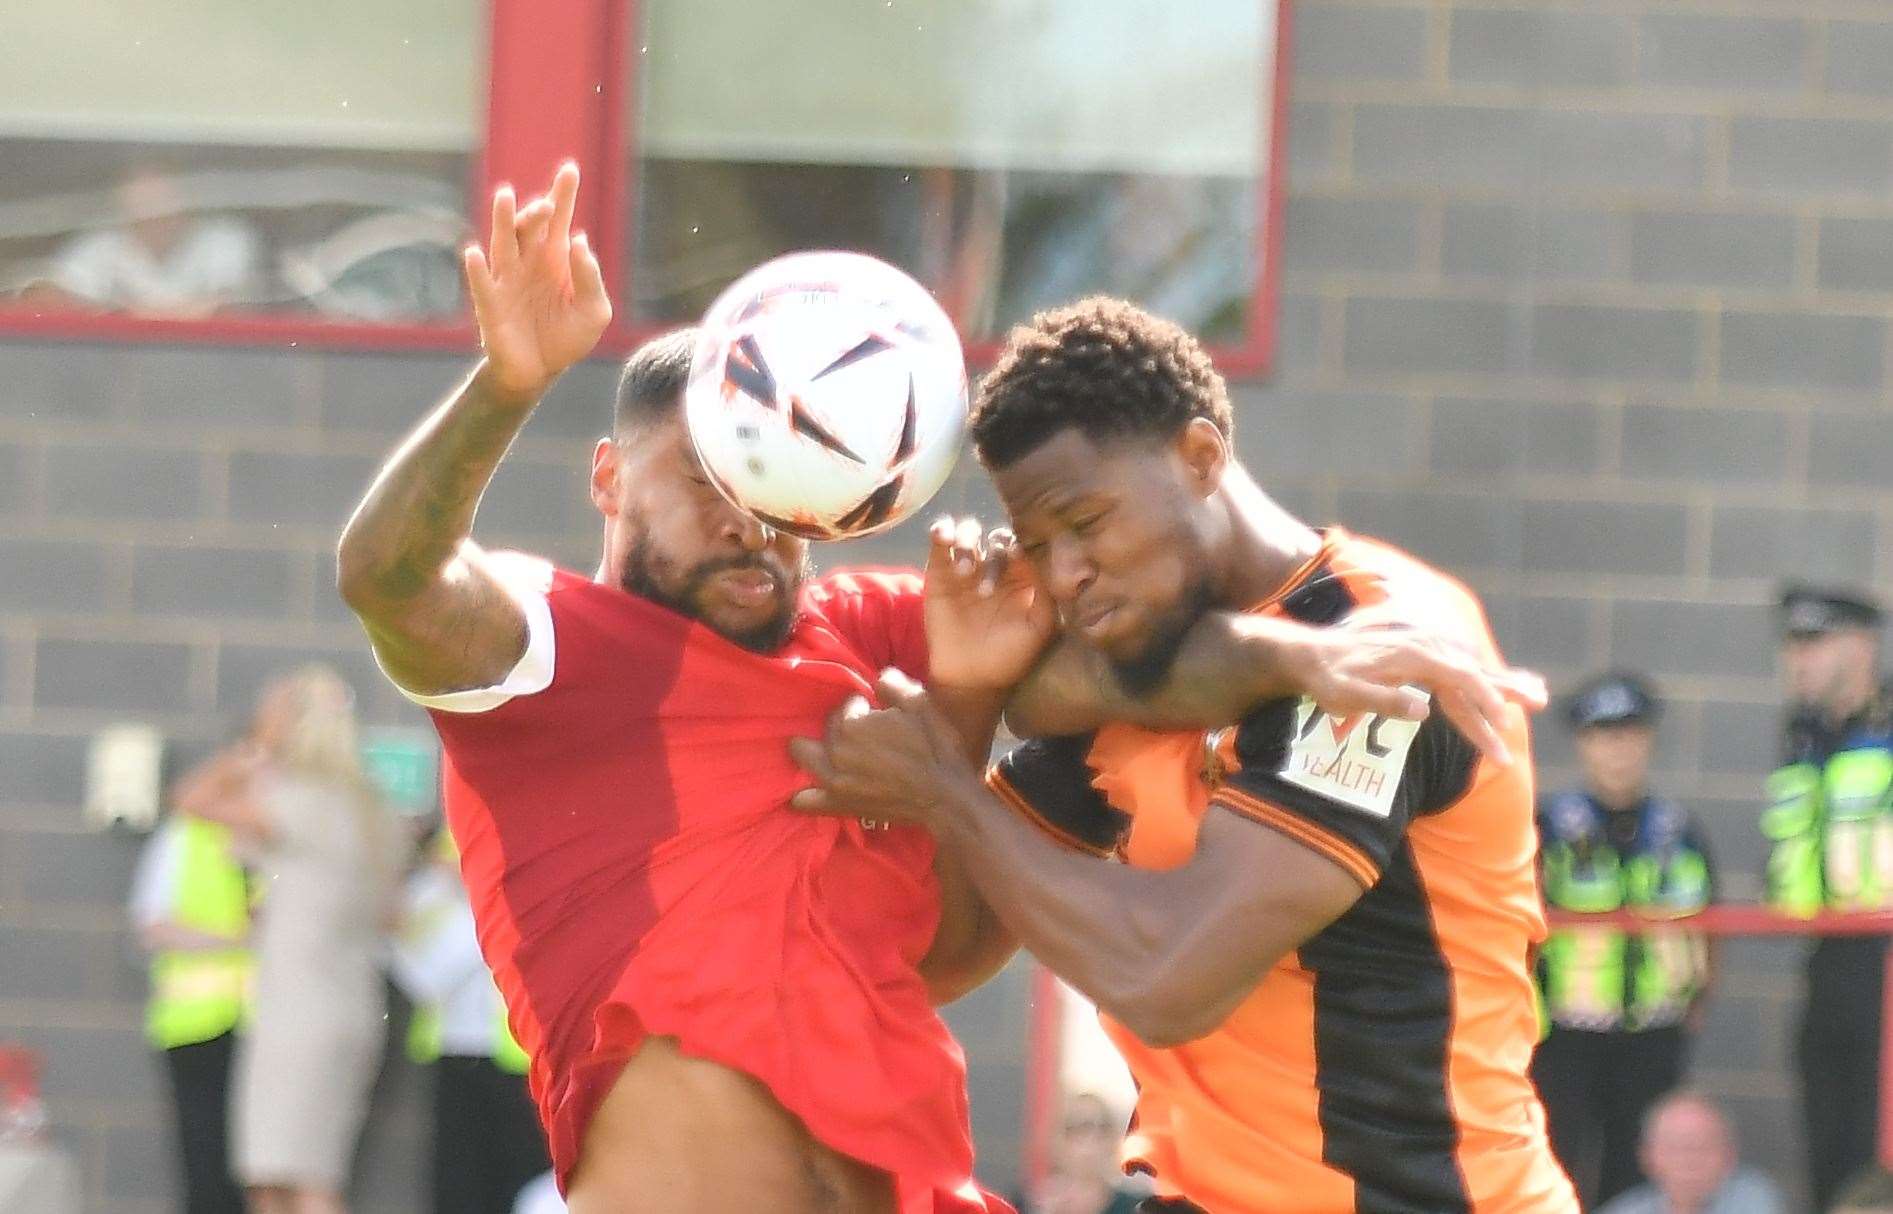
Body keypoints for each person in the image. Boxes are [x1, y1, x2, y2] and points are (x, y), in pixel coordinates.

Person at [335, 164, 1542, 1214]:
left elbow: (1087, 691)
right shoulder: (552, 646)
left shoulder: (864, 631)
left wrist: (1287, 657)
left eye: (780, 482)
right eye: (707, 477)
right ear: (606, 478)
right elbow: (387, 575)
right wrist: (503, 385)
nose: (748, 519)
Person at [788, 297, 1574, 1212]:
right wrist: (963, 701)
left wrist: (945, 790)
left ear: (1201, 458)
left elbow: (1164, 979)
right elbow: (947, 954)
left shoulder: (1381, 654)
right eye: (1038, 544)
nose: (1065, 572)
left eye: (1085, 521)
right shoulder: (1138, 658)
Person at [174, 666, 400, 1214]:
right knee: (301, 1171)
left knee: (290, 1177)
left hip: (299, 1010)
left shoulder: (300, 799)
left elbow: (191, 798)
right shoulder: (373, 809)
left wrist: (255, 746)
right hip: (351, 1004)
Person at [1532, 673, 1717, 1207]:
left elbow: (1708, 923)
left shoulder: (1678, 829)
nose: (1618, 750)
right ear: (1583, 744)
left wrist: (1696, 1002)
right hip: (1565, 1034)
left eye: (1630, 734)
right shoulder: (1549, 827)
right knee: (1556, 1167)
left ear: (1649, 741)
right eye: (1603, 735)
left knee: (1635, 1179)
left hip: (1653, 1036)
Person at [1760, 585, 1893, 1212]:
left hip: (1888, 960)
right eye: (1791, 644)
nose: (1798, 659)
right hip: (1829, 959)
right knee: (1828, 1145)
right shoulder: (1806, 732)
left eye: (1814, 642)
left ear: (1862, 644)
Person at [390, 828, 549, 1214]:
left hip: (526, 1062)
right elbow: (422, 974)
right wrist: (481, 906)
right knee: (460, 1186)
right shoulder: (437, 884)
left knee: (531, 1187)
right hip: (456, 1053)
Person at [127, 804, 253, 1214]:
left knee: (260, 1169)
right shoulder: (185, 836)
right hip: (195, 1025)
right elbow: (151, 926)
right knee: (205, 1162)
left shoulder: (274, 838)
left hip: (260, 1028)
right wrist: (238, 940)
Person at [46, 165, 260, 315]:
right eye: (143, 205)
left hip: (210, 358)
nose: (154, 215)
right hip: (121, 362)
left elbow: (230, 304)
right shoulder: (98, 246)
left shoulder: (223, 239)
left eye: (163, 202)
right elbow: (60, 300)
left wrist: (123, 311)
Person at [1593, 1092, 1783, 1214]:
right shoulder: (1623, 1210)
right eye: (1675, 1147)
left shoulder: (1755, 1198)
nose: (1689, 1160)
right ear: (1647, 1156)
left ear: (1730, 1155)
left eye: (1704, 1146)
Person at [1026, 1093, 1143, 1214]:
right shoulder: (1033, 1203)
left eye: (1102, 1129)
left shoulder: (1133, 1206)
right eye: (1078, 1129)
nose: (1090, 1141)